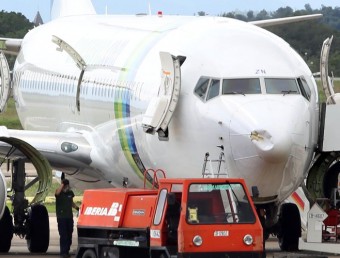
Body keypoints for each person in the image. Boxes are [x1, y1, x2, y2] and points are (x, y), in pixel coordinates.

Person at [55, 179, 79, 258]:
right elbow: (57, 193)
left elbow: (71, 202)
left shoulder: (70, 193)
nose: (67, 187)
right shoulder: (59, 192)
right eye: (66, 185)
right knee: (63, 235)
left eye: (67, 185)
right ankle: (63, 252)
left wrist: (76, 208)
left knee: (69, 234)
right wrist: (62, 185)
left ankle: (67, 250)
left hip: (69, 217)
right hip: (61, 217)